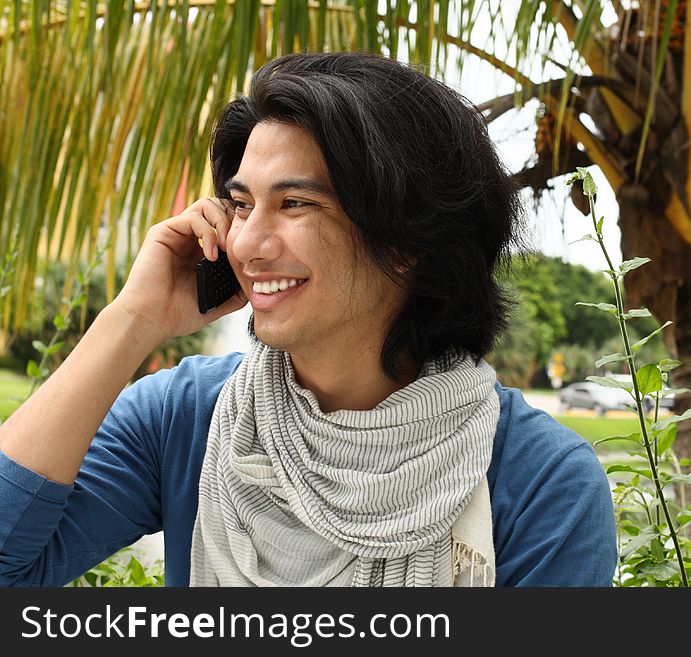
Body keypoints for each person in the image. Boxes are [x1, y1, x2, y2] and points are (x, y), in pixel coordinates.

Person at [0, 52, 616, 587]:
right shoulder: (187, 419)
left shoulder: (540, 483)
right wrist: (131, 319)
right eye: (240, 205)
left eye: (293, 203)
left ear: (408, 240)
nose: (245, 244)